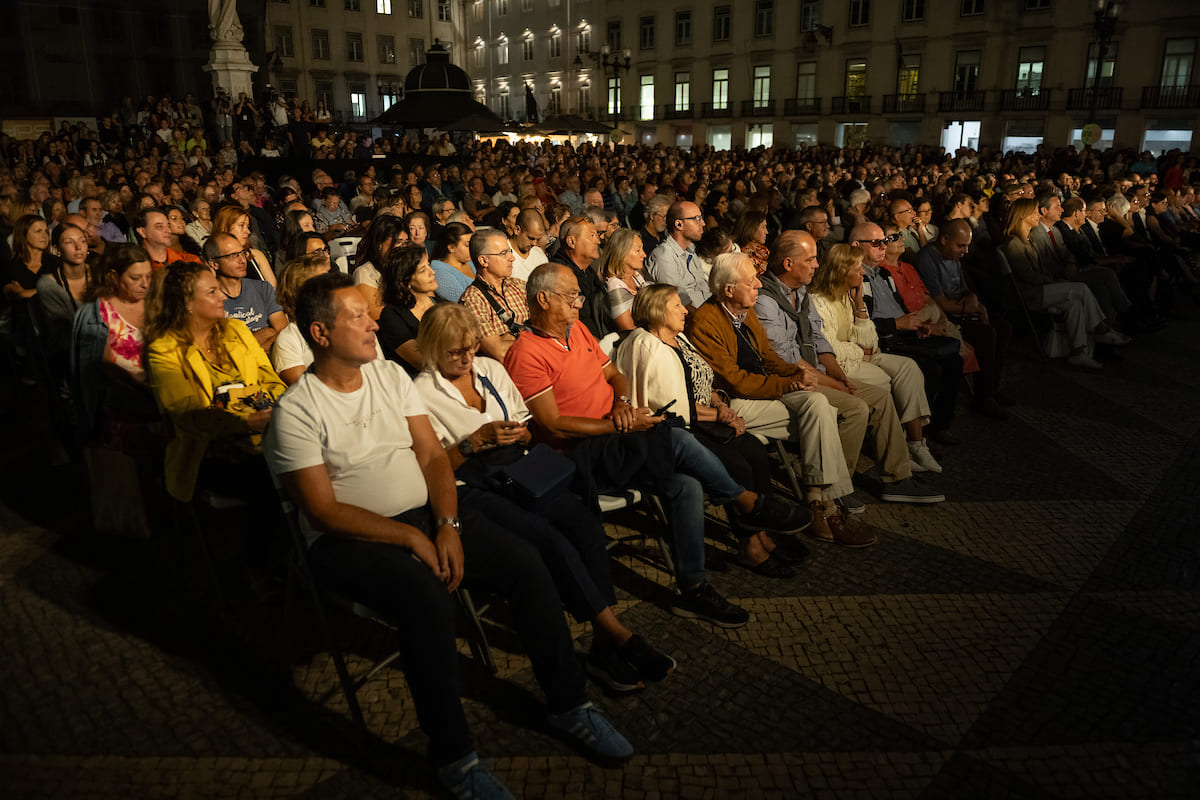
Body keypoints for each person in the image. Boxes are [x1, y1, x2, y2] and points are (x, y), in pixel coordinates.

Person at [264, 273, 634, 798]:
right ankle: (454, 757)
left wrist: (446, 524)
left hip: (424, 513)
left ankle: (570, 705)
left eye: (371, 314)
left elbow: (434, 456)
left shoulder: (390, 378)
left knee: (527, 562)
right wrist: (413, 539)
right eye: (358, 317)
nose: (374, 323)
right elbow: (322, 511)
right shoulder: (296, 411)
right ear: (321, 334)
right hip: (347, 541)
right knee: (427, 599)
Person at [505, 263, 806, 627]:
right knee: (675, 435)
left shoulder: (578, 330)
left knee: (687, 485)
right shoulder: (526, 353)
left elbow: (613, 374)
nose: (579, 305)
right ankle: (746, 500)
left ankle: (692, 587)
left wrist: (623, 404)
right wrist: (613, 425)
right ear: (543, 298)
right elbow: (553, 424)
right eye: (571, 297)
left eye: (578, 296)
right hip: (580, 453)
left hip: (618, 433)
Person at [414, 303, 676, 690]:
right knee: (546, 538)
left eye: (471, 347)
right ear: (434, 349)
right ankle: (616, 635)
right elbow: (432, 468)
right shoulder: (421, 392)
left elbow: (528, 424)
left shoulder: (489, 369)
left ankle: (606, 644)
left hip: (518, 470)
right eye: (456, 352)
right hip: (474, 483)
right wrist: (475, 442)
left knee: (584, 522)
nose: (467, 358)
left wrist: (522, 434)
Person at [615, 283, 808, 577]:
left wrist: (721, 403)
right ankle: (749, 547)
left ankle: (764, 533)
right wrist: (720, 414)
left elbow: (704, 379)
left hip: (706, 417)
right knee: (736, 465)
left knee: (755, 450)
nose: (684, 310)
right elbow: (672, 410)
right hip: (673, 431)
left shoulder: (678, 337)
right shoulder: (648, 347)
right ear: (656, 310)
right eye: (676, 305)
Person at [143, 260, 286, 592]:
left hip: (263, 430)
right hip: (208, 452)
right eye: (211, 291)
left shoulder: (235, 331)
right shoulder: (164, 350)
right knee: (270, 478)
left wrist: (272, 408)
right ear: (186, 303)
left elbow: (271, 380)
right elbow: (189, 414)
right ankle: (262, 566)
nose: (223, 294)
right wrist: (246, 419)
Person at [808, 245, 942, 474]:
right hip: (842, 364)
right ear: (841, 270)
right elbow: (828, 349)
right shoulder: (819, 302)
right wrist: (860, 352)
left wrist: (860, 305)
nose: (862, 273)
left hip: (862, 354)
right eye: (857, 267)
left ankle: (915, 443)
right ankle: (893, 449)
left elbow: (870, 340)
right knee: (884, 380)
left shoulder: (849, 296)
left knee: (909, 367)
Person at [915, 219, 1012, 426]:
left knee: (1002, 327)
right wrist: (974, 308)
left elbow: (965, 289)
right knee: (986, 334)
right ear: (944, 240)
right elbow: (941, 303)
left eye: (967, 245)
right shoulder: (927, 260)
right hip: (945, 318)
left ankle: (991, 388)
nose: (965, 251)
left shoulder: (953, 257)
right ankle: (984, 397)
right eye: (961, 246)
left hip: (962, 309)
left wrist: (973, 299)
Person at [1001, 198, 1116, 370]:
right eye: (1033, 212)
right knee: (1081, 289)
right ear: (1022, 216)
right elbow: (1028, 276)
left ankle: (1078, 352)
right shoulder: (1014, 244)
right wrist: (1053, 280)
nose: (1037, 215)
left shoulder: (1029, 239)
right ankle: (1100, 328)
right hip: (1031, 294)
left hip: (1041, 288)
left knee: (1075, 304)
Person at [203, 233, 286, 351]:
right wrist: (265, 334)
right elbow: (219, 351)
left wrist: (243, 348)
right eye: (233, 255)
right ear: (214, 264)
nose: (242, 260)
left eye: (242, 253)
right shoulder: (208, 301)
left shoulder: (263, 288)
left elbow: (283, 333)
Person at [460, 228, 528, 361]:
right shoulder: (473, 300)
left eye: (510, 251)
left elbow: (550, 328)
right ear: (483, 261)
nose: (512, 258)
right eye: (503, 253)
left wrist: (508, 337)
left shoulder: (520, 285)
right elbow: (500, 352)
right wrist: (530, 331)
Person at [377, 243, 441, 374]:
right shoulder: (392, 315)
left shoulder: (442, 304)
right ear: (405, 282)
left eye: (428, 265)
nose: (432, 272)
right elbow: (419, 360)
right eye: (423, 270)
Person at [546, 216, 612, 340]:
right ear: (571, 242)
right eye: (592, 236)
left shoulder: (587, 271)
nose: (598, 241)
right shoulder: (560, 276)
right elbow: (571, 327)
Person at [36, 223, 90, 360]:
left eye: (82, 241)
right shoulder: (49, 285)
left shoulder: (101, 275)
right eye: (69, 242)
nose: (78, 247)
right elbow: (64, 332)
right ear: (57, 249)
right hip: (72, 353)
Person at [645, 200, 711, 313]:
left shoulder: (690, 251)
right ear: (679, 224)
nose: (703, 223)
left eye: (701, 218)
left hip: (707, 312)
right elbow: (677, 303)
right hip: (693, 320)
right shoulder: (664, 256)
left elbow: (704, 288)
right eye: (697, 219)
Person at [350, 214, 408, 320]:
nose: (403, 248)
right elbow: (377, 317)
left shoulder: (405, 267)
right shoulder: (365, 273)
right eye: (398, 242)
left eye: (405, 243)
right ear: (379, 243)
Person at [211, 205, 276, 286]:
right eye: (241, 225)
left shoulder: (255, 255)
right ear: (225, 227)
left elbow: (273, 290)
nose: (248, 231)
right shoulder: (214, 263)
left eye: (248, 226)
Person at [597, 228, 647, 331]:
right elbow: (628, 329)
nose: (644, 255)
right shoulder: (615, 287)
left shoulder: (637, 276)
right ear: (622, 253)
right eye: (638, 250)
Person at [430, 222, 476, 302]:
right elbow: (462, 301)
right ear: (451, 247)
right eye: (467, 245)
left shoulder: (471, 261)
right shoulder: (439, 271)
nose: (472, 248)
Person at [509, 208, 548, 281]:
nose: (534, 243)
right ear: (517, 230)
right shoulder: (502, 254)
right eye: (531, 238)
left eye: (538, 239)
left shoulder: (539, 254)